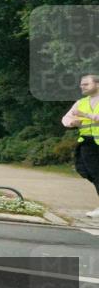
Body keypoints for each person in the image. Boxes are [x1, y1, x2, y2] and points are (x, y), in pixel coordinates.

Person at [62, 74, 99, 218]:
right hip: (87, 143)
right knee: (85, 171)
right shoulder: (80, 102)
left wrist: (85, 115)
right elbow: (66, 118)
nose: (81, 86)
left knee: (97, 174)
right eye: (81, 84)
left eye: (86, 84)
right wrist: (72, 122)